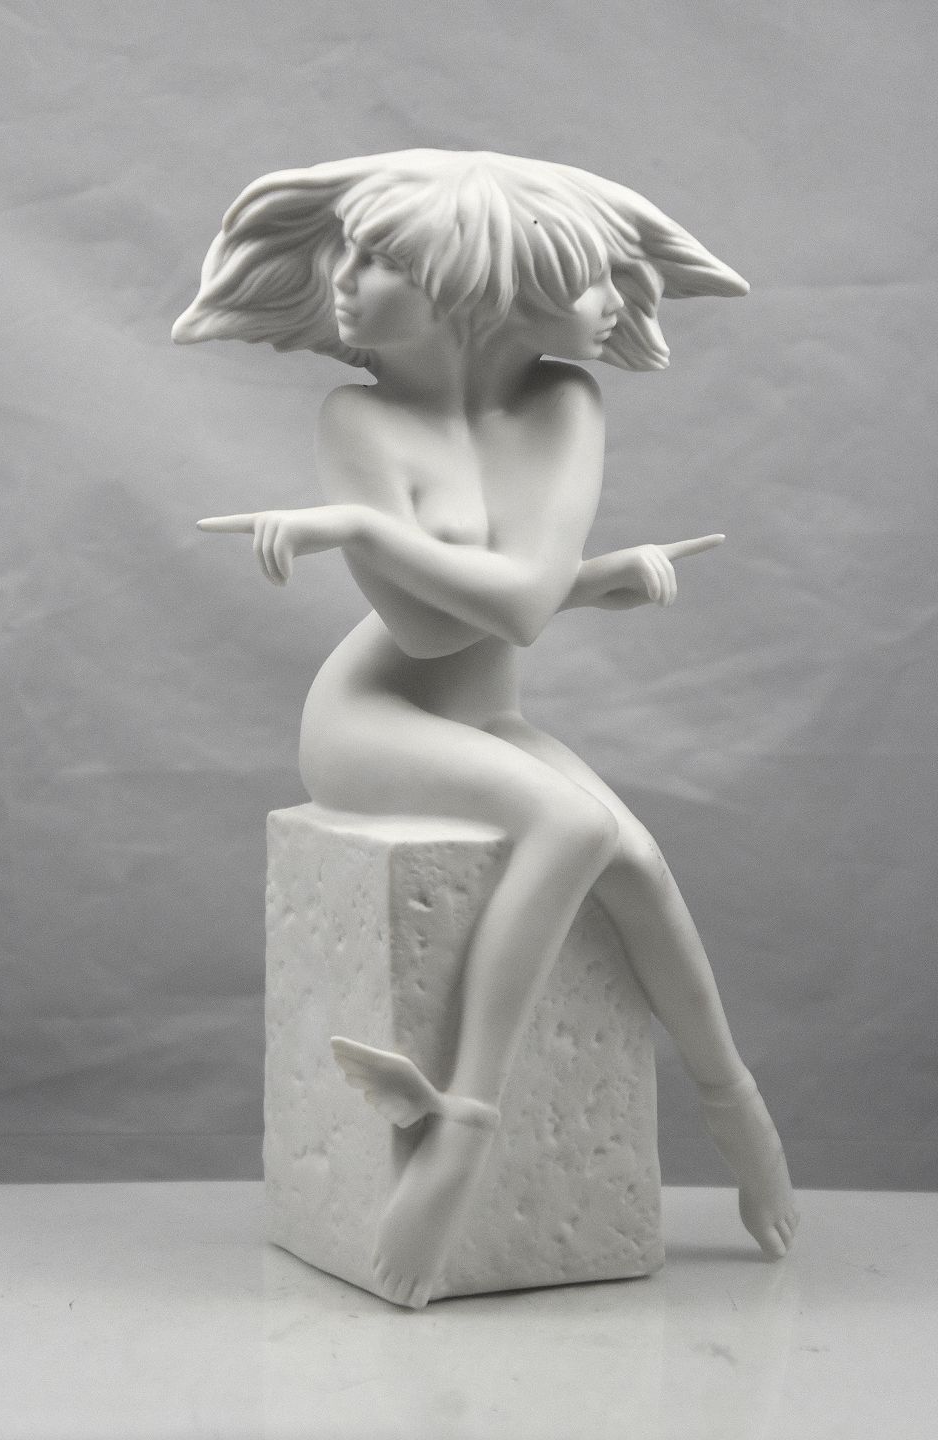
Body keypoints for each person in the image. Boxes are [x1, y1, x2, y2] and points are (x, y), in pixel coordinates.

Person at [175, 150, 798, 1309]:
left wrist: (379, 534)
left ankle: (736, 1110)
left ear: (473, 285)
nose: (343, 278)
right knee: (573, 826)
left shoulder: (565, 403)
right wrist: (545, 576)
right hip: (368, 716)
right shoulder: (358, 418)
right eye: (349, 251)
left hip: (484, 713)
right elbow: (422, 629)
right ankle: (461, 1129)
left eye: (380, 258)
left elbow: (513, 606)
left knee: (638, 860)